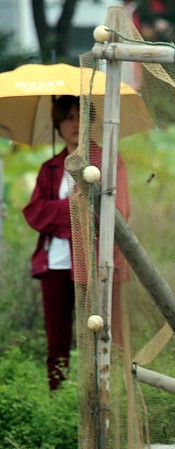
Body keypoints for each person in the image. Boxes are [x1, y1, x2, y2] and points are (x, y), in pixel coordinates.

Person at [23, 95, 130, 390]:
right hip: (56, 263)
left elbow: (119, 211)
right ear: (58, 125)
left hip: (97, 263)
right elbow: (34, 213)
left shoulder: (107, 161)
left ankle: (105, 393)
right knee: (57, 338)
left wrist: (67, 212)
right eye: (67, 117)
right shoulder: (51, 168)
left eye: (79, 116)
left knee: (104, 333)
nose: (74, 123)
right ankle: (56, 395)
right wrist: (74, 208)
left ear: (89, 122)